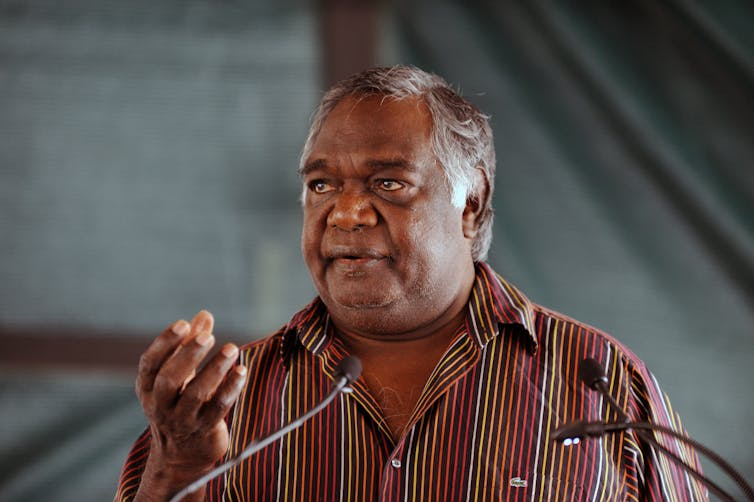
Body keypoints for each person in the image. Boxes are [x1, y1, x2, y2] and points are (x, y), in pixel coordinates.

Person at [116, 65, 706, 501]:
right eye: (321, 185)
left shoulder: (600, 382)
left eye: (388, 184)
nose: (345, 213)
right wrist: (179, 469)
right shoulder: (216, 409)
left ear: (470, 204)